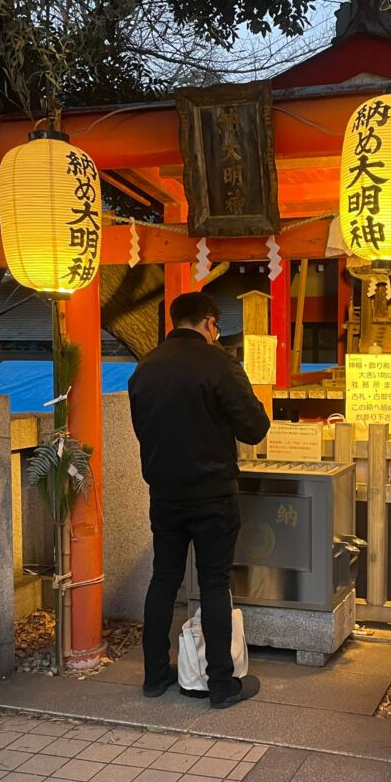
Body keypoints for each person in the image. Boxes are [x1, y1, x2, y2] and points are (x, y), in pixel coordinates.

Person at [128, 292, 270, 709]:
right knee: (213, 583)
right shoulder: (219, 364)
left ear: (175, 321)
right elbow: (255, 427)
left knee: (164, 580)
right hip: (213, 495)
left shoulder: (145, 369)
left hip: (165, 495)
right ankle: (221, 685)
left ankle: (154, 676)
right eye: (216, 326)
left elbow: (144, 430)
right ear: (209, 322)